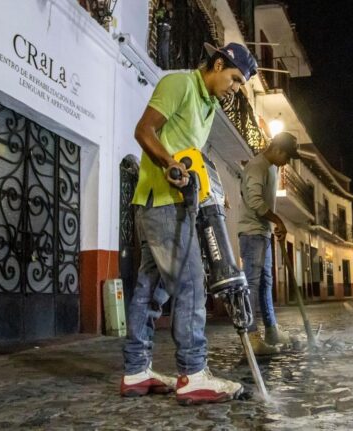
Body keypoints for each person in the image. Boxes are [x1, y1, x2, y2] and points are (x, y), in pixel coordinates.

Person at [120, 42, 257, 405]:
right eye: (235, 79)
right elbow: (144, 131)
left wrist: (212, 186)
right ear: (217, 63)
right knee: (191, 284)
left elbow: (190, 149)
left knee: (151, 289)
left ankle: (136, 370)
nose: (235, 88)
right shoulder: (179, 84)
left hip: (168, 204)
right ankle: (194, 373)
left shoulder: (209, 104)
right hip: (164, 202)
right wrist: (170, 165)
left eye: (240, 84)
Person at [237, 132, 300, 355]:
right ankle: (251, 337)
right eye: (287, 157)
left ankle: (271, 330)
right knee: (252, 284)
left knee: (266, 282)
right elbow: (253, 200)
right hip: (252, 233)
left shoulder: (271, 167)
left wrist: (272, 224)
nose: (287, 162)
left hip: (262, 232)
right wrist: (277, 220)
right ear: (278, 150)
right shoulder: (257, 166)